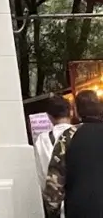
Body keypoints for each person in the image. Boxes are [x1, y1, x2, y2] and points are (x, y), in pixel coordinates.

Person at [44, 90, 103, 218]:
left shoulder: (68, 136)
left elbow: (54, 183)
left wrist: (53, 211)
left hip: (81, 209)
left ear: (76, 111)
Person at [35, 96, 74, 188]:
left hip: (57, 192)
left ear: (49, 117)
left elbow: (40, 175)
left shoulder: (42, 139)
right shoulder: (82, 132)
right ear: (71, 112)